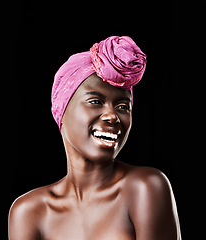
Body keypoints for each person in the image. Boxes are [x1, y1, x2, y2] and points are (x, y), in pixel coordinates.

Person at [9, 36, 182, 240]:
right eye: (95, 101)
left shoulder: (144, 188)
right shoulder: (29, 212)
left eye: (123, 106)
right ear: (61, 110)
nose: (113, 116)